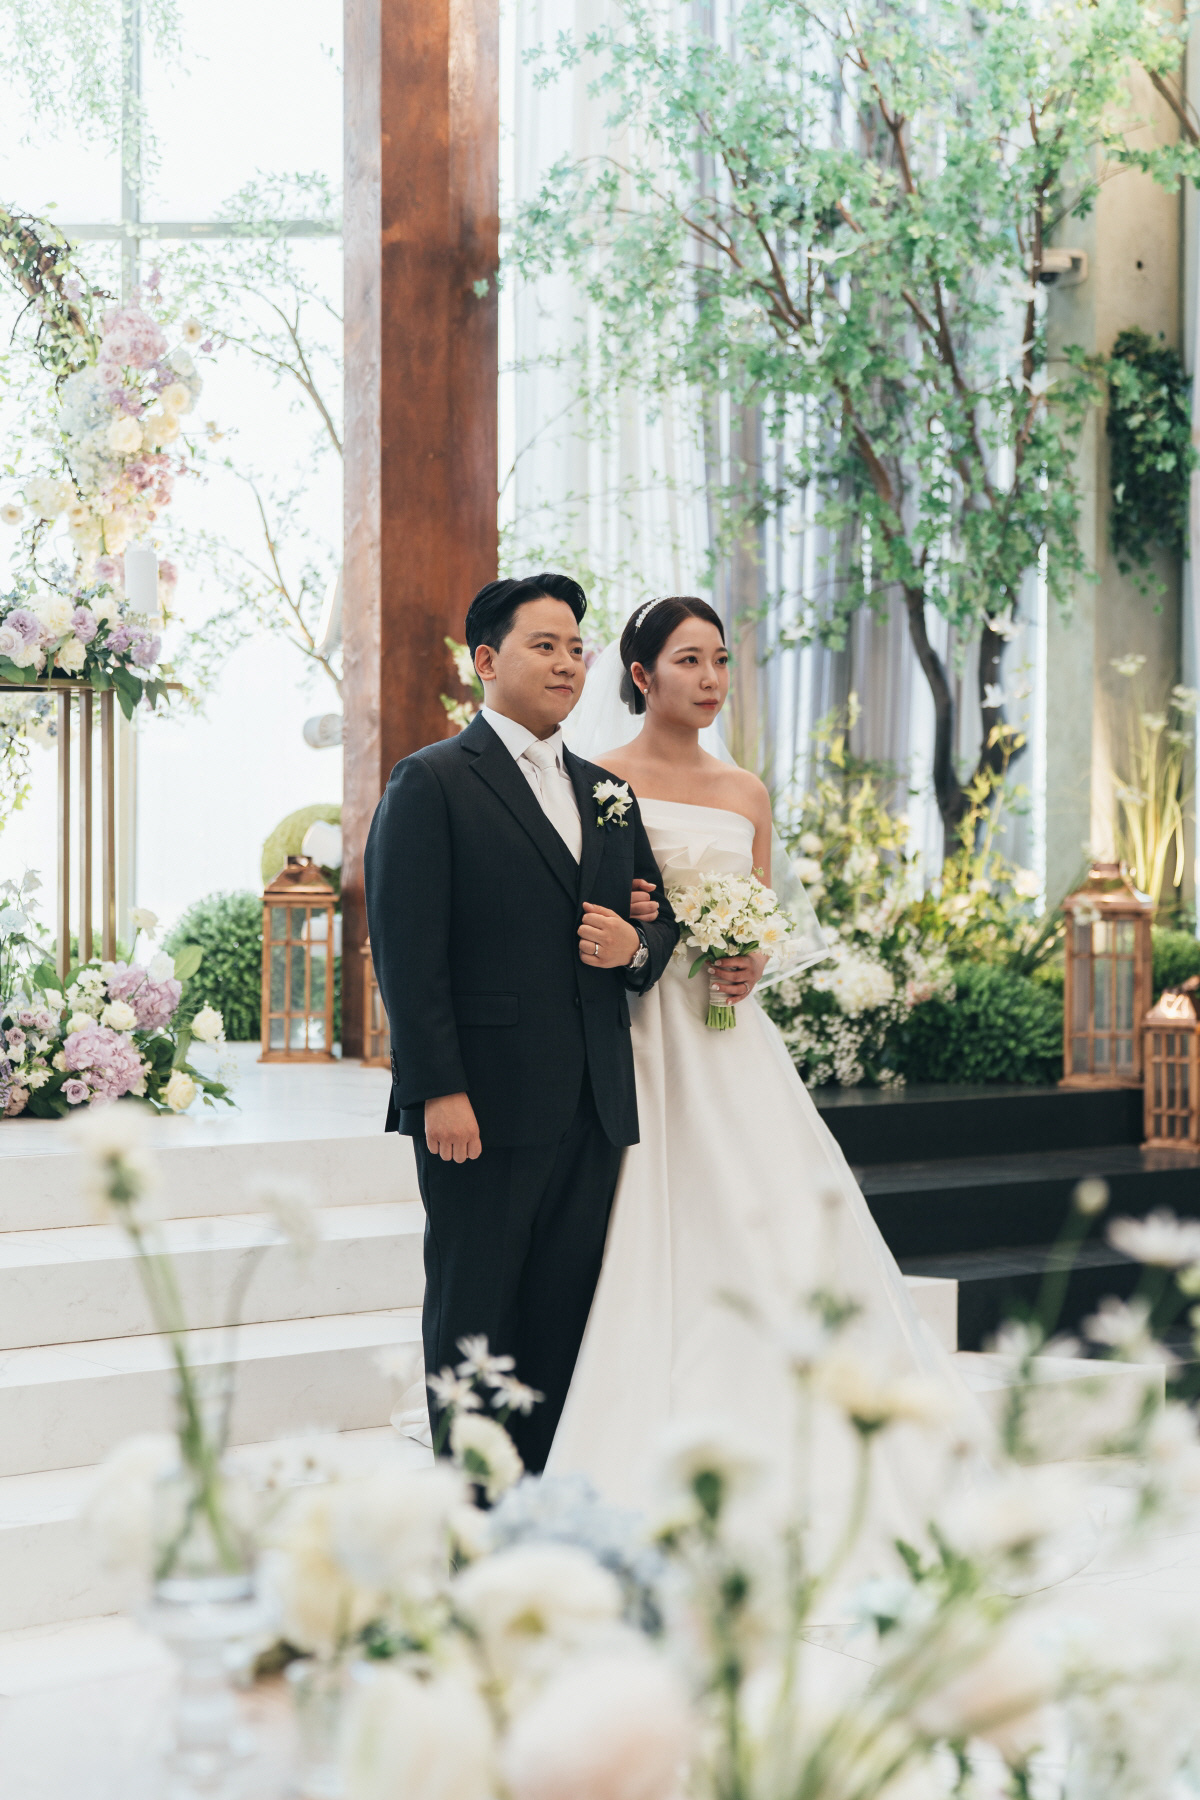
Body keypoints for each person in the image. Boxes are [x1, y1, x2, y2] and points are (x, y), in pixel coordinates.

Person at [549, 596, 982, 1538]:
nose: (711, 680)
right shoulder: (600, 781)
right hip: (639, 1026)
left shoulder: (745, 789)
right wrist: (641, 923)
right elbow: (586, 906)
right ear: (641, 676)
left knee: (771, 1206)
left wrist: (751, 955)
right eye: (689, 661)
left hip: (729, 1032)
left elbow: (762, 907)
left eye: (719, 661)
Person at [364, 574, 678, 1472]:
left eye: (577, 647)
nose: (568, 662)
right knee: (475, 1313)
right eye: (545, 645)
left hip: (594, 1101)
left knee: (561, 1313)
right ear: (487, 661)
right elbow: (407, 955)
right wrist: (437, 1090)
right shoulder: (431, 781)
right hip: (483, 1106)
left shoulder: (607, 791)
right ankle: (471, 1505)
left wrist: (635, 947)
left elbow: (658, 922)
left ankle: (539, 1496)